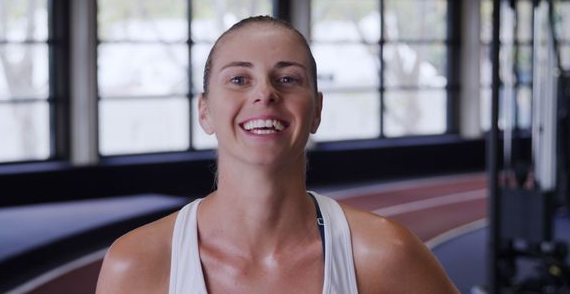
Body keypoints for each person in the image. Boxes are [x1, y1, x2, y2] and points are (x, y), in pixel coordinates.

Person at [96, 16, 460, 294]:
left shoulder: (385, 254)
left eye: (287, 79)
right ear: (204, 111)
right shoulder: (136, 265)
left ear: (316, 110)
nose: (265, 94)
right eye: (239, 79)